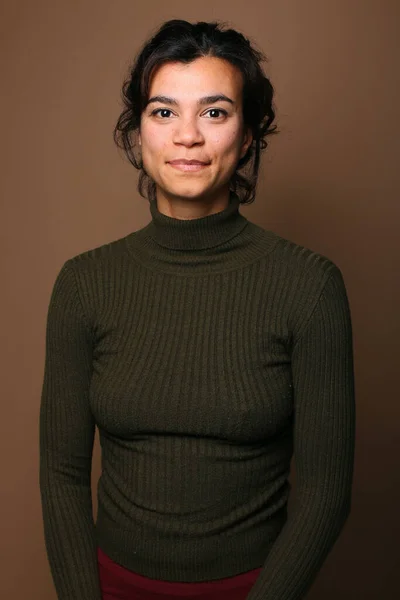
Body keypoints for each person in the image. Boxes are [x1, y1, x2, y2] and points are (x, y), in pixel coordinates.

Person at [39, 18, 356, 600]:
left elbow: (325, 491)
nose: (188, 136)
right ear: (137, 133)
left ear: (250, 132)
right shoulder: (84, 284)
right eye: (164, 112)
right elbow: (61, 476)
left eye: (214, 112)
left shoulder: (309, 287)